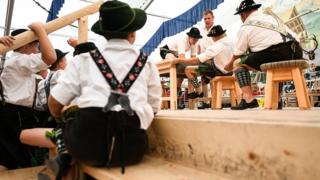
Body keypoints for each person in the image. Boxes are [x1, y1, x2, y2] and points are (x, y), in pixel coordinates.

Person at [47, 0, 161, 178]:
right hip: (131, 149)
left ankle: (65, 156)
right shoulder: (146, 63)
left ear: (104, 33)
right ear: (132, 34)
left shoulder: (83, 60)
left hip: (85, 146)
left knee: (67, 120)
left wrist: (61, 116)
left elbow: (54, 102)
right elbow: (154, 108)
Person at [224, 0, 303, 110]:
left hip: (276, 53)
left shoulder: (246, 26)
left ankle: (248, 99)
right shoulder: (272, 18)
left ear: (243, 14)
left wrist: (228, 66)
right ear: (255, 9)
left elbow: (238, 54)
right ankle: (276, 99)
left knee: (237, 63)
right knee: (273, 67)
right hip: (297, 51)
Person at [0, 23, 56, 171]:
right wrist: (40, 30)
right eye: (36, 46)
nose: (38, 50)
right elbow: (50, 57)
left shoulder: (17, 62)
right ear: (25, 47)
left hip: (12, 112)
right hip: (17, 114)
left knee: (8, 158)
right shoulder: (19, 60)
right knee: (22, 156)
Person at [173, 25, 233, 101]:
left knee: (189, 70)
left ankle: (199, 91)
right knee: (204, 69)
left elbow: (197, 60)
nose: (212, 38)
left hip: (219, 71)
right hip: (230, 72)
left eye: (212, 36)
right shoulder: (231, 42)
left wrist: (180, 60)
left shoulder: (216, 46)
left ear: (215, 36)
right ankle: (203, 88)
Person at [160, 27, 202, 108]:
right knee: (178, 62)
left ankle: (176, 93)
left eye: (196, 39)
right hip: (166, 50)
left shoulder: (194, 43)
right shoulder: (182, 40)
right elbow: (182, 58)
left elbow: (193, 58)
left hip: (176, 53)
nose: (195, 41)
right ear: (189, 37)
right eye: (193, 39)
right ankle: (175, 94)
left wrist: (194, 67)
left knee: (184, 70)